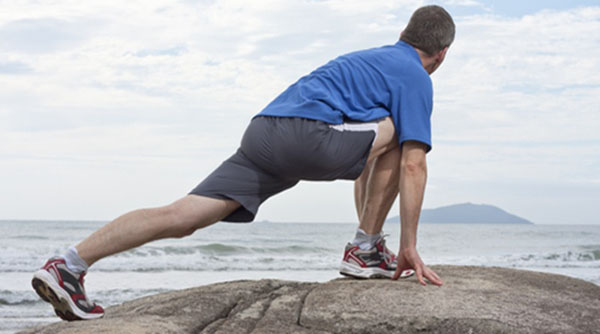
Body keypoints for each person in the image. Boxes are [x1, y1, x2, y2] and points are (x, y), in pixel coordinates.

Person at [31, 5, 455, 321]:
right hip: (307, 134)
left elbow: (368, 156)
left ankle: (68, 264)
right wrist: (409, 246)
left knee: (182, 215)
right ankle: (365, 249)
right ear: (442, 53)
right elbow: (412, 165)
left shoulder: (369, 60)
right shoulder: (414, 75)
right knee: (402, 133)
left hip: (264, 129)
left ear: (404, 33)